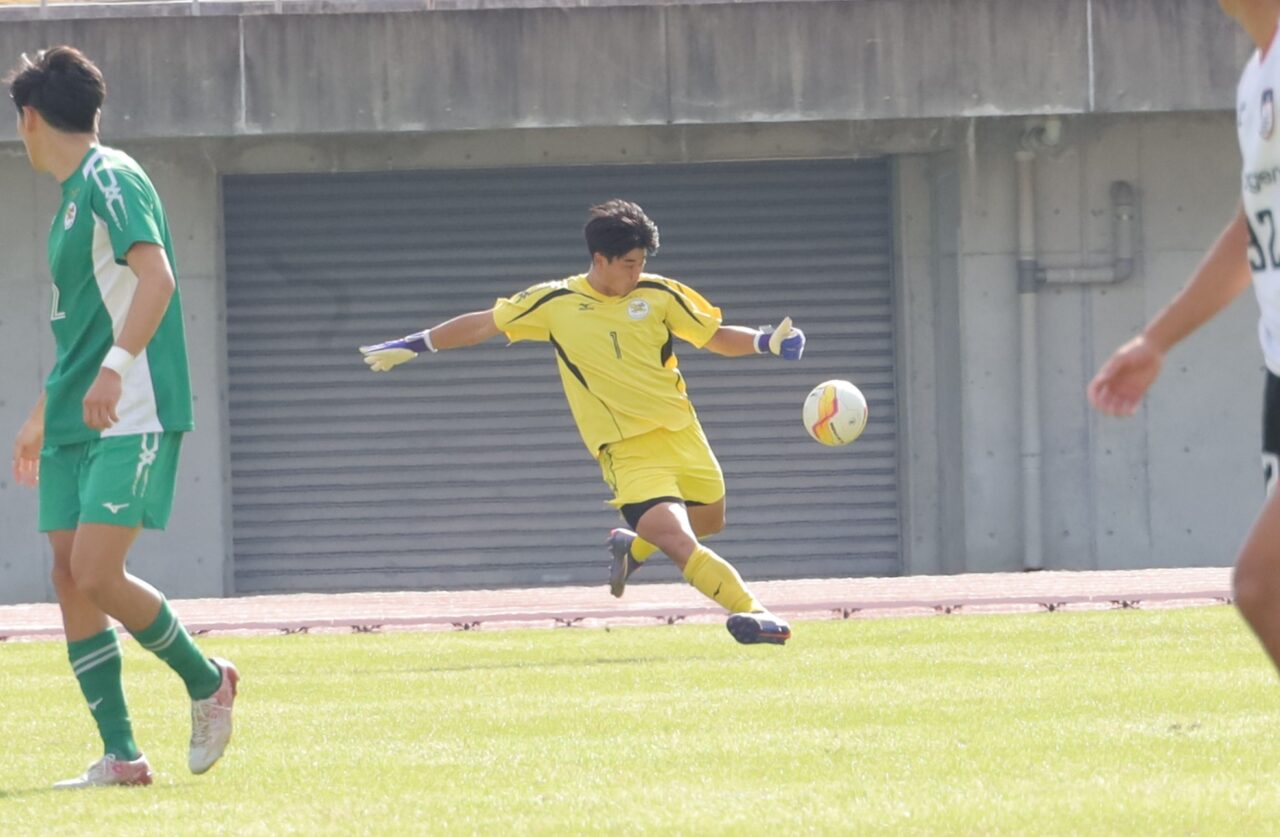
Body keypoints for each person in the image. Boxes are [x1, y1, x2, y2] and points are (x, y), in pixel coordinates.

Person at [361, 199, 804, 645]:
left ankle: (632, 547)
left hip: (684, 434)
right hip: (626, 450)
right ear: (600, 260)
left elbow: (715, 337)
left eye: (641, 263)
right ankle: (757, 613)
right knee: (677, 539)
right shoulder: (556, 302)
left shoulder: (660, 294)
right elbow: (483, 324)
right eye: (629, 264)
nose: (636, 273)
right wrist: (417, 344)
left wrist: (766, 341)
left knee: (709, 522)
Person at [7, 46, 237, 788]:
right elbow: (80, 325)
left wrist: (112, 370)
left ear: (30, 117)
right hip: (78, 417)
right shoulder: (72, 199)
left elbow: (159, 277)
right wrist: (43, 411)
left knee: (97, 571)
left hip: (130, 406)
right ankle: (121, 754)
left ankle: (207, 681)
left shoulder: (110, 176)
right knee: (68, 576)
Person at [1088, 0, 1280, 674]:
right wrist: (1156, 341)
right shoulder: (1257, 79)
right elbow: (1250, 230)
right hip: (1278, 377)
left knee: (1264, 585)